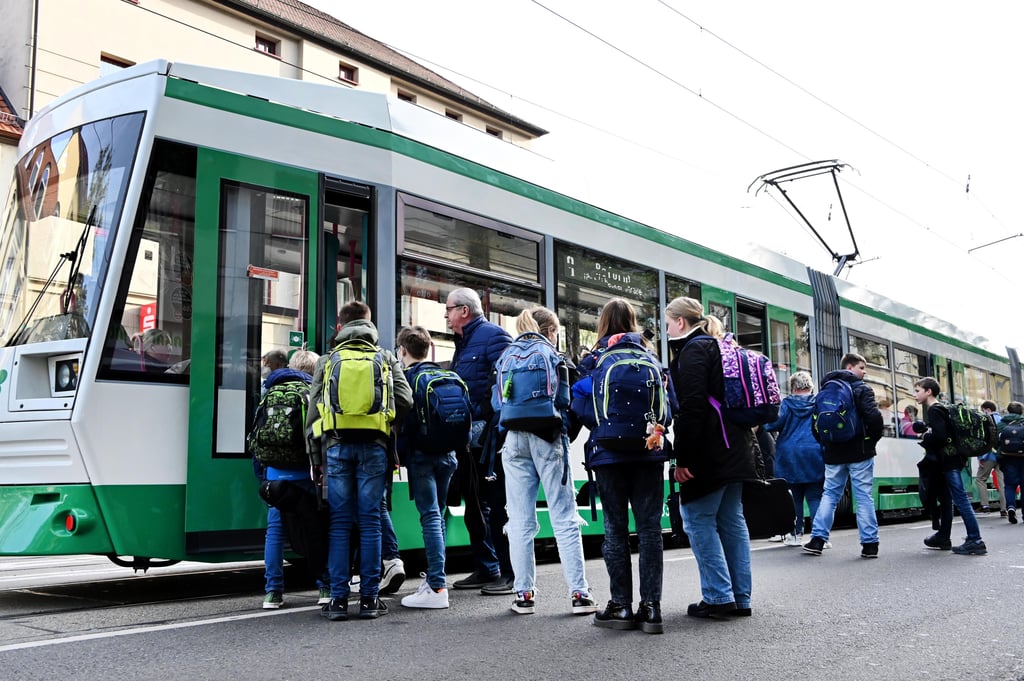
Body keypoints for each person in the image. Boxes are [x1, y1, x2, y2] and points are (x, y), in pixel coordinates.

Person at [307, 301, 413, 621]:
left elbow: (313, 413)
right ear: (369, 324)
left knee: (340, 524)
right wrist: (387, 423)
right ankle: (369, 600)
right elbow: (406, 399)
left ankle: (338, 601)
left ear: (340, 327)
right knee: (370, 522)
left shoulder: (327, 360)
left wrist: (316, 457)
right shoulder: (385, 357)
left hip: (336, 447)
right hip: (374, 447)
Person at [571, 298, 669, 632]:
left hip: (608, 453)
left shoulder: (594, 359)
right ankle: (652, 608)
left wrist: (607, 427)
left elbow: (580, 406)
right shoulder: (651, 358)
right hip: (649, 451)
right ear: (633, 321)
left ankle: (620, 607)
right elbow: (670, 410)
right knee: (650, 529)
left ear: (603, 322)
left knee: (615, 529)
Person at [499, 306, 597, 617]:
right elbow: (569, 403)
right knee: (564, 518)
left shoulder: (507, 356)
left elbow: (496, 402)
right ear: (552, 332)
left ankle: (524, 595)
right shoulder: (555, 357)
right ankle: (579, 593)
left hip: (513, 439)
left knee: (519, 520)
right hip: (548, 437)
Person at [664, 297, 755, 620]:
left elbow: (692, 409)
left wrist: (682, 458)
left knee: (697, 518)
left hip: (710, 451)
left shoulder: (693, 351)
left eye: (668, 324)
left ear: (681, 322)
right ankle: (740, 597)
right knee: (731, 521)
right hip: (736, 446)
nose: (666, 330)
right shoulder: (719, 346)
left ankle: (718, 596)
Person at [445, 287, 515, 595]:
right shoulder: (463, 342)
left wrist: (486, 420)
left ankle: (511, 573)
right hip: (468, 437)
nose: (446, 316)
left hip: (488, 437)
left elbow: (505, 383)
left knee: (497, 505)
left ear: (464, 310)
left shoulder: (493, 336)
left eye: (448, 309)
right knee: (474, 504)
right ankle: (487, 567)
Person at [395, 325, 459, 609]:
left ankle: (436, 586)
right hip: (449, 455)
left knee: (430, 516)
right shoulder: (447, 374)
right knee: (439, 515)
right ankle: (435, 579)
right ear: (428, 348)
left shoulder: (407, 379)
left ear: (402, 350)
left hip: (422, 456)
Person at [257, 348, 325, 609]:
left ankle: (272, 592)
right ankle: (324, 586)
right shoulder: (313, 392)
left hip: (275, 473)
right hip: (306, 473)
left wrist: (264, 475)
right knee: (316, 528)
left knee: (275, 530)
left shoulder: (270, 391)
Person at [803, 352, 884, 558]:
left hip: (833, 453)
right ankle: (869, 545)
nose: (864, 373)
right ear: (849, 367)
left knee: (830, 494)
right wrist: (871, 441)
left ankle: (817, 540)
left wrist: (826, 443)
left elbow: (815, 424)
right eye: (861, 368)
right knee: (863, 496)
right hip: (860, 452)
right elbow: (874, 418)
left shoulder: (825, 389)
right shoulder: (862, 389)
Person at [913, 377, 986, 554]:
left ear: (928, 391)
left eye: (917, 391)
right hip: (951, 459)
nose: (915, 395)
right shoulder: (943, 408)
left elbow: (940, 436)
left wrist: (925, 436)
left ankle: (975, 539)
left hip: (948, 461)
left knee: (960, 499)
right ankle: (943, 536)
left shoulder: (934, 410)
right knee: (946, 499)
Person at [764, 370, 824, 547]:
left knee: (794, 497)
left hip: (790, 455)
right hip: (815, 453)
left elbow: (771, 425)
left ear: (793, 387)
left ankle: (796, 535)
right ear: (810, 386)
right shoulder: (818, 404)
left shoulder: (787, 404)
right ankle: (820, 536)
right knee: (815, 497)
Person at [975, 400, 1005, 515]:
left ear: (987, 409)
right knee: (1002, 483)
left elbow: (983, 440)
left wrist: (981, 457)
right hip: (1001, 456)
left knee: (980, 478)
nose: (982, 412)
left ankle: (985, 505)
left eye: (983, 410)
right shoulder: (1002, 420)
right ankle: (1004, 508)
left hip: (989, 456)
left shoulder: (986, 420)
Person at [996, 401, 1024, 524]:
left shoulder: (1001, 424)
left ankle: (1011, 507)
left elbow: (995, 441)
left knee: (1010, 485)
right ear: (1021, 412)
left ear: (1008, 411)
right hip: (1023, 458)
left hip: (1007, 458)